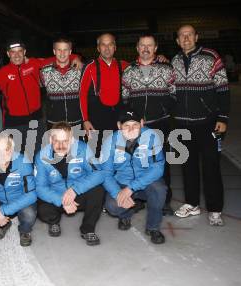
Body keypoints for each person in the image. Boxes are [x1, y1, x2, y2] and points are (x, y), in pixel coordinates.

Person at [172, 24, 230, 226]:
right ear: (177, 40)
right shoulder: (174, 60)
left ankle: (215, 209)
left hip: (208, 123)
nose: (186, 38)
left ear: (196, 37)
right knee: (187, 166)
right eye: (182, 35)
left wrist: (222, 118)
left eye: (189, 34)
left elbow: (223, 89)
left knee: (211, 167)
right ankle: (192, 203)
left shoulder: (211, 56)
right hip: (181, 124)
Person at [0, 39, 81, 159]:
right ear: (8, 54)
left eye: (20, 51)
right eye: (13, 52)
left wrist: (75, 57)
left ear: (25, 52)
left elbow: (58, 58)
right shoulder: (1, 73)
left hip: (36, 120)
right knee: (17, 155)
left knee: (37, 153)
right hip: (13, 122)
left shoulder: (34, 64)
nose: (17, 55)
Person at [121, 34, 176, 215]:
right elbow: (125, 97)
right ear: (137, 48)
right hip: (137, 127)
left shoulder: (167, 68)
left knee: (162, 163)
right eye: (142, 45)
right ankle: (137, 198)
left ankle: (165, 201)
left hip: (161, 123)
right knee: (135, 162)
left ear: (155, 48)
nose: (145, 48)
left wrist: (163, 111)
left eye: (149, 45)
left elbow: (174, 94)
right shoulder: (129, 70)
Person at [100, 108, 167, 244]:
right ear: (119, 126)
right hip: (122, 182)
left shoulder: (152, 137)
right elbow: (105, 173)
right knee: (112, 206)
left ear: (142, 123)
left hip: (146, 181)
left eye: (135, 124)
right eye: (126, 125)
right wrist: (117, 192)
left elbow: (158, 168)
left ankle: (153, 227)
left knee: (160, 190)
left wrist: (131, 188)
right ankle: (125, 215)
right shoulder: (110, 142)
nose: (131, 129)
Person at [34, 122, 107, 246]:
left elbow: (99, 173)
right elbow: (40, 188)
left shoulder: (82, 149)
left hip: (78, 194)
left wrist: (75, 190)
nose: (61, 145)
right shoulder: (41, 156)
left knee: (98, 191)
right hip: (56, 196)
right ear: (51, 139)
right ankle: (54, 221)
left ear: (72, 139)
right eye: (57, 141)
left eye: (65, 141)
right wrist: (61, 200)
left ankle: (87, 229)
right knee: (42, 209)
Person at [79, 33, 129, 150]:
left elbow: (143, 63)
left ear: (115, 47)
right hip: (96, 118)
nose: (107, 48)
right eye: (103, 45)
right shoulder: (90, 67)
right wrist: (85, 120)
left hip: (118, 117)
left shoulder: (125, 66)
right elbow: (82, 95)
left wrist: (159, 57)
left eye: (110, 44)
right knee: (96, 154)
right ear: (98, 48)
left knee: (118, 152)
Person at [40, 38, 83, 128]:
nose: (62, 53)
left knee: (78, 142)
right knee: (54, 142)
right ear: (54, 51)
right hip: (54, 122)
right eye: (59, 50)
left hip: (77, 120)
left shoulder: (81, 70)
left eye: (65, 50)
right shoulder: (44, 71)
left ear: (70, 51)